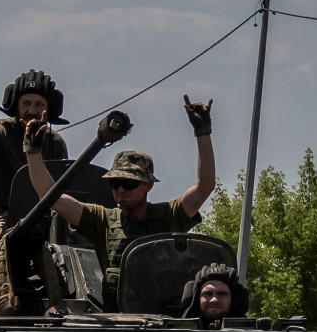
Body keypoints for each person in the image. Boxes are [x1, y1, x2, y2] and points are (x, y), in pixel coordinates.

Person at [24, 95, 216, 310]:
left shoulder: (170, 215)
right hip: (118, 322)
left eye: (129, 183)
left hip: (165, 321)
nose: (121, 190)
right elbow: (51, 198)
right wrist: (33, 151)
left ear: (148, 186)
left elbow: (204, 187)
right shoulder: (103, 220)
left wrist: (202, 132)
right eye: (115, 184)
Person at [0, 70, 69, 241]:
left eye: (39, 104)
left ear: (49, 108)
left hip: (44, 217)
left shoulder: (55, 142)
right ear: (16, 105)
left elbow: (63, 188)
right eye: (26, 103)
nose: (32, 110)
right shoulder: (0, 131)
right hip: (0, 215)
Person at [181, 263, 249, 327]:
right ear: (196, 299)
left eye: (222, 294)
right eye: (207, 294)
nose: (214, 300)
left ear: (233, 300)